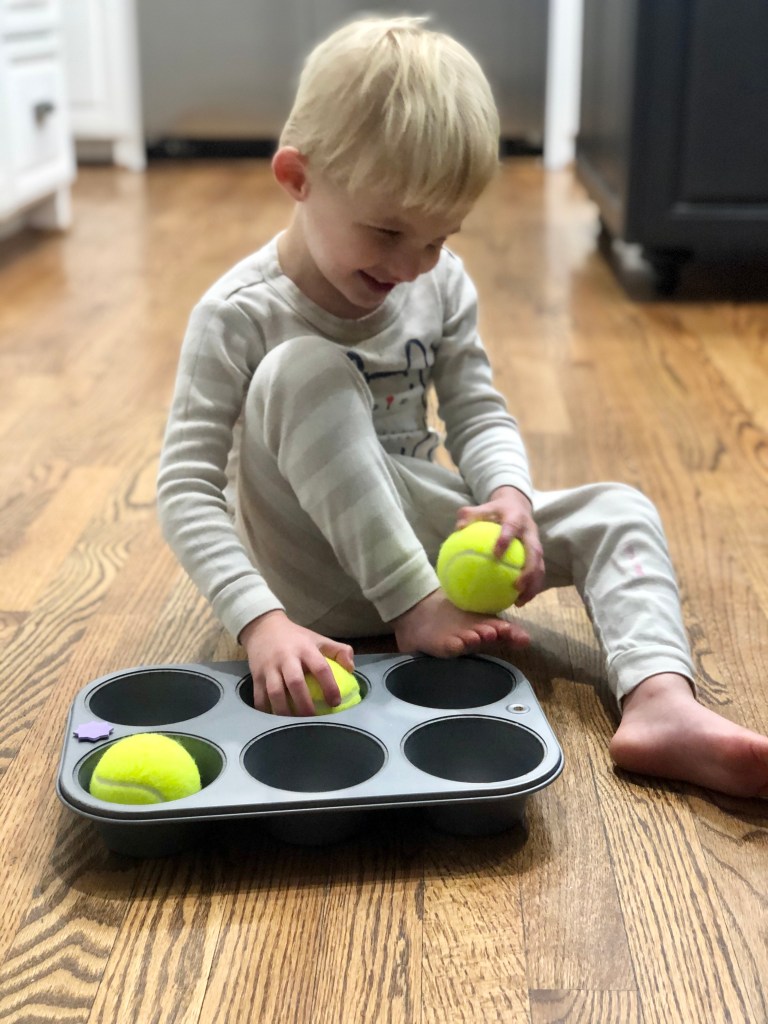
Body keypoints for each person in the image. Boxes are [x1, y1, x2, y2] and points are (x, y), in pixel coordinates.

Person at [157, 15, 768, 799]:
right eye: (388, 231)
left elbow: (476, 410)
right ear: (296, 177)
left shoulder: (437, 282)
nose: (413, 266)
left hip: (427, 543)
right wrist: (259, 621)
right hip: (312, 577)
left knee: (618, 509)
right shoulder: (237, 314)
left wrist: (508, 496)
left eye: (439, 237)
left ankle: (662, 705)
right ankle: (410, 607)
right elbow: (184, 489)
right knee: (301, 369)